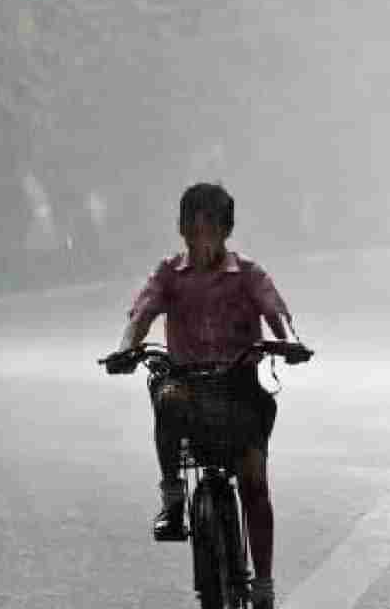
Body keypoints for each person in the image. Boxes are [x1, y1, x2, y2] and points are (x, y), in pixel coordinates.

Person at [103, 182, 299, 609]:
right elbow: (141, 314)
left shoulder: (248, 274)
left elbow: (276, 311)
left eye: (209, 223)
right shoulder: (169, 273)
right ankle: (173, 497)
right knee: (166, 397)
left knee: (253, 484)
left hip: (241, 386)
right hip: (188, 385)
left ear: (226, 229)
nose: (200, 233)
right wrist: (124, 351)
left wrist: (290, 341)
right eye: (192, 223)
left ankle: (263, 585)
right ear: (182, 228)